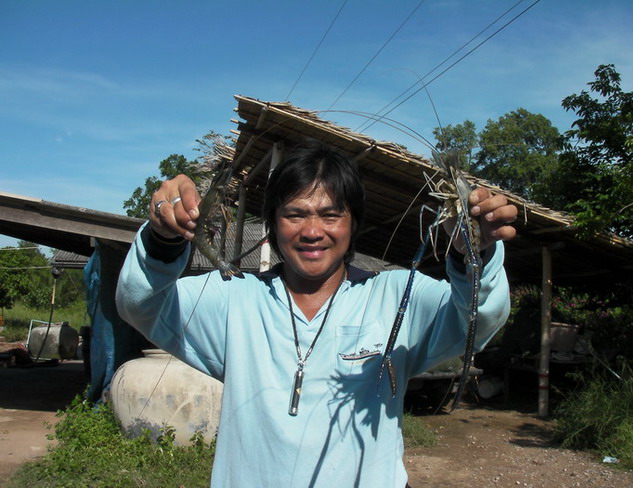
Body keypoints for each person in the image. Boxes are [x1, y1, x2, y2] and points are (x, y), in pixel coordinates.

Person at [116, 140, 517, 487]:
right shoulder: (232, 298)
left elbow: (477, 321)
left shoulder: (398, 293)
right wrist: (162, 240)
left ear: (353, 223)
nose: (312, 230)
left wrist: (476, 253)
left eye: (330, 214)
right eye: (295, 214)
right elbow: (140, 305)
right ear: (272, 223)